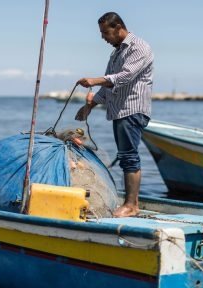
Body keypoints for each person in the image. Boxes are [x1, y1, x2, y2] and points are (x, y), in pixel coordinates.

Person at [75, 12, 153, 218]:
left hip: (133, 109)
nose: (103, 38)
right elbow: (109, 86)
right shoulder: (116, 53)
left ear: (119, 28)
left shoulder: (139, 47)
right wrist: (90, 106)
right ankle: (131, 203)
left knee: (129, 156)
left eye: (105, 33)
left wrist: (95, 80)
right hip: (120, 110)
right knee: (125, 155)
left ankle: (131, 206)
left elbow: (124, 77)